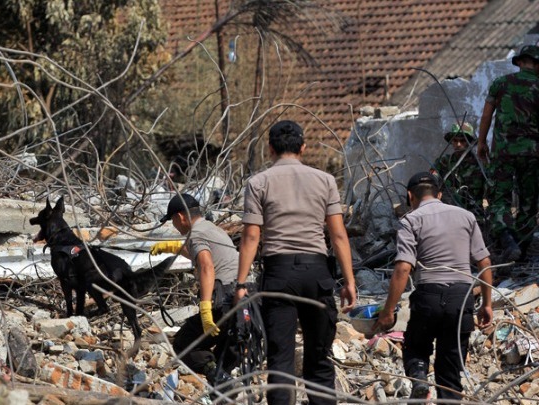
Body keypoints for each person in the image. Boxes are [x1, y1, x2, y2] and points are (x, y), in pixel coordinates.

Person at [234, 120, 356, 405]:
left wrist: (241, 283)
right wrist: (349, 280)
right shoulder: (325, 180)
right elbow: (338, 235)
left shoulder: (258, 182)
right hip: (317, 274)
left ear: (270, 148)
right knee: (319, 358)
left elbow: (252, 236)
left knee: (280, 361)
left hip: (279, 276)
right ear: (303, 147)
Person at [375, 172, 493, 401]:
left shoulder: (410, 220)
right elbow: (485, 262)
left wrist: (388, 311)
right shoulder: (466, 216)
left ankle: (419, 375)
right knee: (450, 372)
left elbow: (403, 268)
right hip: (461, 297)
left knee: (415, 347)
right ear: (439, 194)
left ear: (410, 196)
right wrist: (487, 304)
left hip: (428, 295)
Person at [150, 193, 239, 393]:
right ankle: (225, 391)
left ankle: (219, 379)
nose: (174, 225)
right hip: (243, 300)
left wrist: (205, 308)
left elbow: (207, 266)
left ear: (180, 217)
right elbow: (201, 254)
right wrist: (172, 247)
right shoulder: (212, 229)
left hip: (222, 300)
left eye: (172, 220)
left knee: (184, 344)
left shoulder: (196, 233)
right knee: (224, 356)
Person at [477, 45, 539, 262]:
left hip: (502, 153)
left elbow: (486, 116)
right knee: (529, 203)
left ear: (520, 62)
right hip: (532, 154)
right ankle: (521, 248)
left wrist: (482, 142)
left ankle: (507, 238)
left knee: (499, 200)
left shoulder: (501, 83)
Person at [430, 122, 486, 225]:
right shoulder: (444, 162)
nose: (458, 144)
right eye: (455, 141)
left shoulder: (480, 164)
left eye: (462, 140)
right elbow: (431, 180)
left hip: (474, 216)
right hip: (448, 215)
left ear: (469, 141)